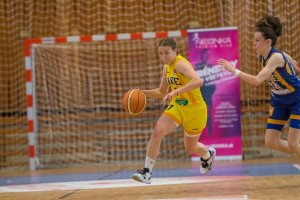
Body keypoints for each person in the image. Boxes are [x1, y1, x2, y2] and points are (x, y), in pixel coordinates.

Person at [132, 38, 216, 184]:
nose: (163, 57)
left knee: (190, 148)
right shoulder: (167, 67)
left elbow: (198, 81)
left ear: (175, 51)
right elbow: (161, 91)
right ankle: (146, 172)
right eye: (160, 53)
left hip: (195, 110)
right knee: (157, 131)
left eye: (167, 53)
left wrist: (175, 92)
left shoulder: (181, 64)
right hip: (178, 106)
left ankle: (207, 154)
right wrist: (141, 92)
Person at [217, 15, 300, 158]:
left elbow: (256, 81)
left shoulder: (277, 57)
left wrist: (233, 70)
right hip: (279, 100)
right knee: (271, 141)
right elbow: (292, 64)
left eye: (257, 41)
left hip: (296, 98)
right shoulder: (262, 55)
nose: (253, 44)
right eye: (254, 40)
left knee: (293, 143)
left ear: (268, 41)